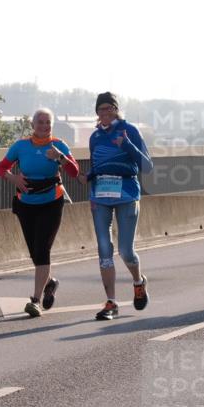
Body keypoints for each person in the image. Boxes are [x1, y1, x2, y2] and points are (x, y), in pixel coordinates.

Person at [77, 92, 153, 320]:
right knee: (104, 249)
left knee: (125, 251)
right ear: (97, 113)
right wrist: (89, 183)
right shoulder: (95, 137)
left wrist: (127, 145)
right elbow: (97, 166)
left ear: (116, 109)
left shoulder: (130, 131)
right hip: (100, 196)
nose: (105, 113)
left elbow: (147, 167)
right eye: (101, 109)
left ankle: (138, 282)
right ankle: (111, 302)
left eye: (109, 108)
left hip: (127, 194)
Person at [0, 108, 80, 317]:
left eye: (48, 122)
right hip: (26, 203)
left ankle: (34, 300)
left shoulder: (59, 145)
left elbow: (74, 171)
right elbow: (1, 168)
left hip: (51, 202)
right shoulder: (21, 146)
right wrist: (14, 178)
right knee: (35, 252)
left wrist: (60, 158)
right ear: (33, 125)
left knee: (42, 249)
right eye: (40, 122)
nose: (44, 126)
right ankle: (49, 282)